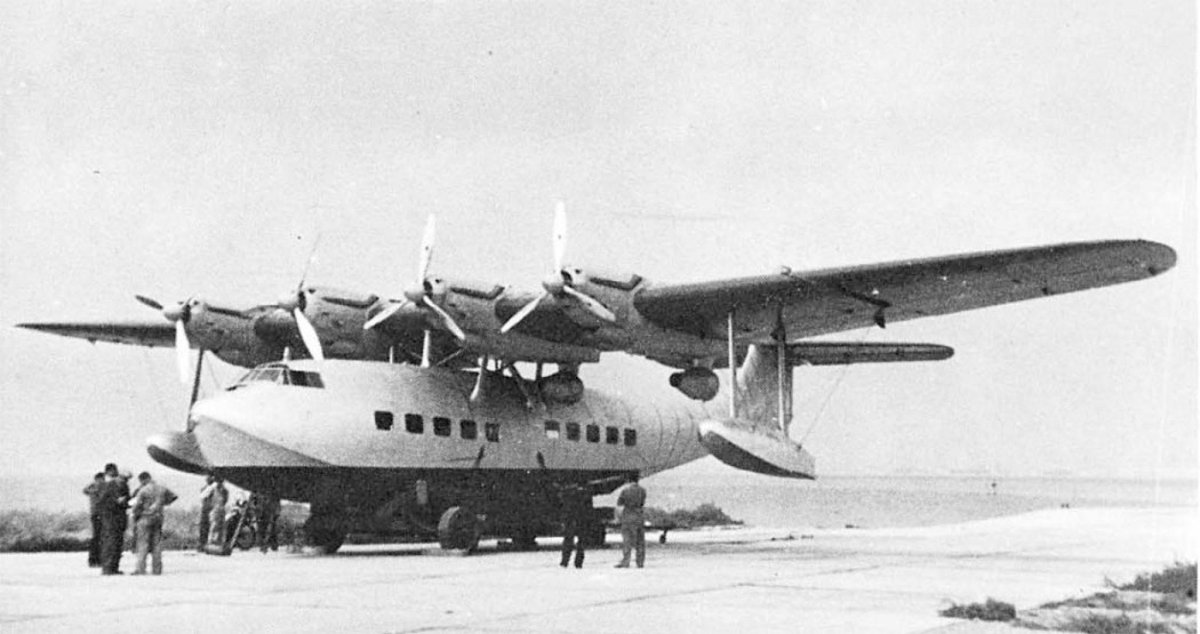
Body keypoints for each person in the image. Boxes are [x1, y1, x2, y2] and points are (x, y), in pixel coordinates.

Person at [129, 471, 178, 575]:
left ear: (143, 480)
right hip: (158, 517)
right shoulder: (162, 488)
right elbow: (174, 497)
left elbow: (137, 506)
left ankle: (140, 569)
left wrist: (136, 515)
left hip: (145, 517)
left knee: (143, 544)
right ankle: (157, 569)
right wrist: (163, 503)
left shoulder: (143, 490)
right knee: (157, 544)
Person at [97, 463, 130, 575]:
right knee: (111, 543)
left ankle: (113, 567)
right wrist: (121, 502)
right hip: (112, 518)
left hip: (116, 518)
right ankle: (108, 568)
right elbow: (106, 501)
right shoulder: (110, 485)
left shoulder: (117, 485)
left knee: (116, 543)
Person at [614, 473, 647, 569]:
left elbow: (619, 504)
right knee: (640, 541)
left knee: (627, 540)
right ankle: (640, 562)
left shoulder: (625, 491)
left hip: (628, 516)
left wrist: (618, 517)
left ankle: (626, 561)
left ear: (628, 480)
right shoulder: (642, 490)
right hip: (639, 516)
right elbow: (642, 503)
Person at [558, 483, 592, 569]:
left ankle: (565, 561)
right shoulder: (585, 494)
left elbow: (563, 507)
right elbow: (589, 508)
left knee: (569, 539)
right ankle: (578, 562)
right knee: (580, 541)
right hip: (581, 518)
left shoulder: (567, 493)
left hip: (572, 518)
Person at [83, 472, 104, 568]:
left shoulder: (92, 489)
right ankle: (96, 558)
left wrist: (92, 484)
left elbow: (84, 490)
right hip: (99, 514)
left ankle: (94, 559)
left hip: (94, 514)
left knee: (96, 536)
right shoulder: (99, 488)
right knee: (98, 537)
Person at [200, 477, 228, 548]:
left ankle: (219, 543)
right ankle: (212, 542)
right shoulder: (212, 488)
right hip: (214, 509)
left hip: (220, 509)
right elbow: (203, 497)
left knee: (221, 527)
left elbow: (225, 499)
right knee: (214, 526)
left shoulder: (223, 490)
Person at [197, 475, 215, 551]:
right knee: (203, 527)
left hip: (212, 508)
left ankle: (209, 544)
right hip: (205, 509)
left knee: (212, 527)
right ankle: (202, 544)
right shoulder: (204, 488)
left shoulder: (215, 488)